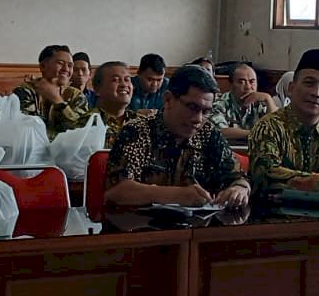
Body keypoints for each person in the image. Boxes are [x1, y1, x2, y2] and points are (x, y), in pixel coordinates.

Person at [104, 66, 250, 208]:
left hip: (197, 228)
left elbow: (237, 176)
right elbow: (117, 191)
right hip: (139, 228)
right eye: (192, 107)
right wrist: (177, 195)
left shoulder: (208, 133)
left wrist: (239, 189)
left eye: (205, 112)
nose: (198, 119)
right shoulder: (137, 131)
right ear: (168, 100)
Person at [248, 49, 319, 194]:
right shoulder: (269, 127)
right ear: (291, 88)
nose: (316, 93)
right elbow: (265, 175)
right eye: (309, 83)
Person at [14, 45, 88, 138]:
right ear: (43, 66)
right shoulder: (25, 91)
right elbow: (27, 132)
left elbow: (80, 131)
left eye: (70, 65)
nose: (66, 69)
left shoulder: (76, 95)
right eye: (60, 63)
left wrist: (57, 101)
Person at [89, 61, 152, 147]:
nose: (124, 84)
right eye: (115, 80)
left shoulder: (141, 123)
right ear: (97, 89)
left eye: (127, 79)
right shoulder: (86, 122)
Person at [209, 63, 273, 142]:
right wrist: (256, 134)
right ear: (231, 85)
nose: (248, 87)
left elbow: (276, 129)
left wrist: (268, 99)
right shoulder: (219, 104)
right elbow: (220, 131)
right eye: (242, 82)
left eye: (252, 82)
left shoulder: (260, 103)